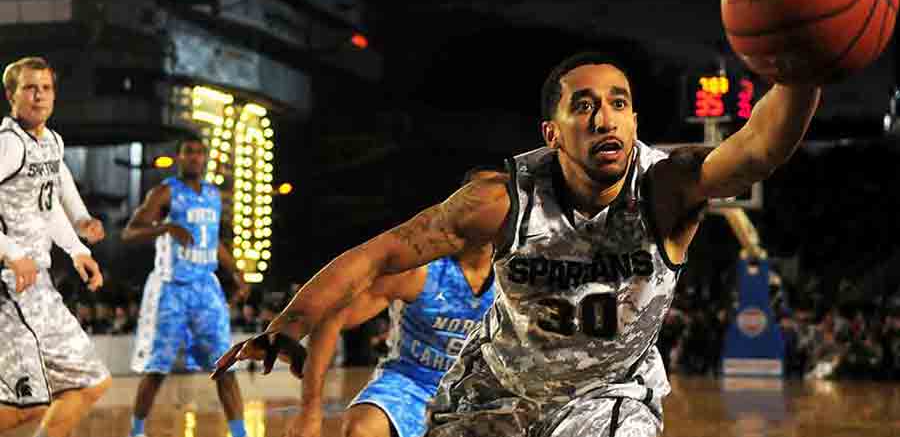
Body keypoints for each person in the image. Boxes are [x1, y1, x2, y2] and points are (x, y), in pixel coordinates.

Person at [214, 51, 821, 437]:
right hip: (494, 388)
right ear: (552, 133)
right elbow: (381, 254)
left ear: (634, 124)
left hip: (606, 394)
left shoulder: (667, 187)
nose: (604, 117)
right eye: (584, 106)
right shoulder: (499, 201)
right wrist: (288, 323)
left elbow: (758, 150)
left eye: (619, 104)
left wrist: (804, 68)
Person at [287, 167, 500, 437]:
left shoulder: (522, 273)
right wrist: (310, 409)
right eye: (477, 196)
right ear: (455, 207)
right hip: (412, 383)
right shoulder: (420, 268)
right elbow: (333, 316)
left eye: (498, 198)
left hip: (484, 392)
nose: (488, 205)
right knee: (362, 429)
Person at [0, 56, 110, 437]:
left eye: (45, 88)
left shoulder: (50, 142)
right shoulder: (8, 144)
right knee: (25, 406)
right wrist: (11, 253)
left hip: (38, 285)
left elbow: (53, 205)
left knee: (90, 384)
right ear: (10, 96)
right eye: (29, 88)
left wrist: (78, 247)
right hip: (9, 287)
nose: (39, 95)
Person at [122, 135, 250, 437]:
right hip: (171, 288)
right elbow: (130, 232)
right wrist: (167, 226)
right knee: (156, 369)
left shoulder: (213, 195)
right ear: (179, 157)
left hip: (206, 287)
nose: (194, 157)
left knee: (225, 365)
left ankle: (241, 434)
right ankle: (136, 431)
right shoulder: (165, 192)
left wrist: (236, 273)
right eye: (188, 152)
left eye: (199, 153)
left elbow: (213, 241)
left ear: (205, 158)